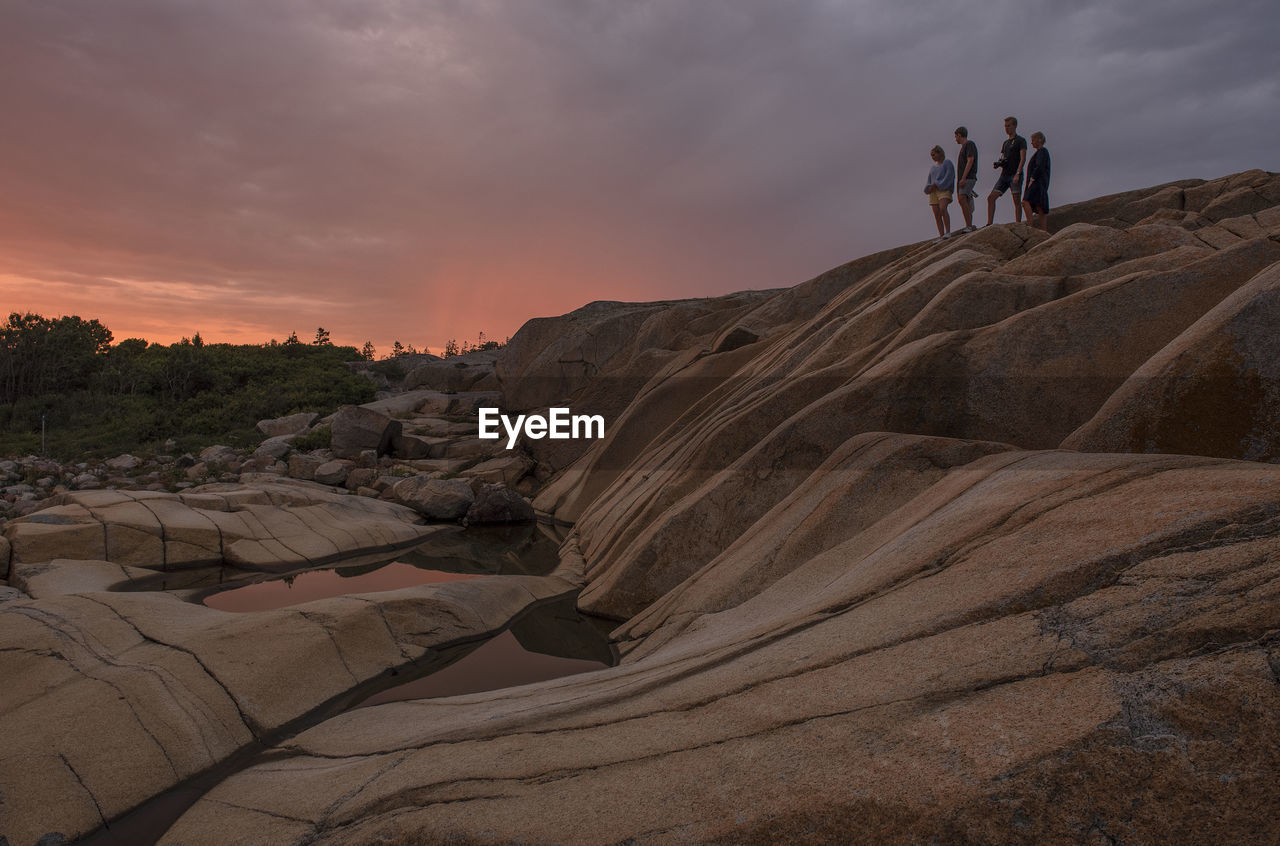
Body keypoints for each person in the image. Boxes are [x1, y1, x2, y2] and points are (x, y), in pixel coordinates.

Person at [987, 116, 1027, 225]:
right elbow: (1003, 157)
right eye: (1005, 126)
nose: (1006, 128)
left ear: (1014, 126)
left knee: (1016, 200)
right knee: (991, 198)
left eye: (1009, 126)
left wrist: (1018, 173)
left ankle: (1018, 223)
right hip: (1004, 174)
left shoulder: (1021, 140)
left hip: (1015, 173)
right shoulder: (1005, 143)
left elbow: (1023, 158)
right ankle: (989, 223)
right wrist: (999, 164)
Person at [924, 145, 955, 240]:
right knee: (936, 214)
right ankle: (941, 235)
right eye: (931, 156)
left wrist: (938, 184)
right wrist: (928, 188)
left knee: (943, 208)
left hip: (944, 189)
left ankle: (948, 232)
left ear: (939, 153)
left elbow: (950, 176)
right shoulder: (933, 167)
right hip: (933, 192)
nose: (932, 157)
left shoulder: (947, 163)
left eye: (934, 155)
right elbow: (929, 180)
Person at [1022, 131, 1051, 232]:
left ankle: (1030, 226)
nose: (1031, 143)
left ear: (1039, 140)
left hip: (1037, 182)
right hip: (1042, 182)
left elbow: (1039, 166)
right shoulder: (1041, 152)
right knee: (1039, 205)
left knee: (1026, 201)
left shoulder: (1042, 151)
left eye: (1033, 140)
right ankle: (1044, 230)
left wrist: (1032, 178)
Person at [953, 126, 978, 232]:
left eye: (955, 136)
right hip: (965, 178)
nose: (955, 139)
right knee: (965, 200)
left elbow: (970, 160)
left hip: (968, 177)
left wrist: (963, 178)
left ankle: (969, 226)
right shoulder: (964, 147)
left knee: (962, 198)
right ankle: (969, 224)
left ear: (959, 135)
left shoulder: (969, 144)